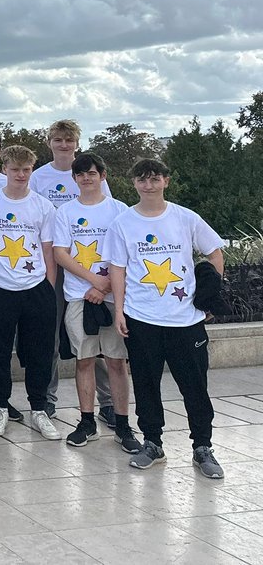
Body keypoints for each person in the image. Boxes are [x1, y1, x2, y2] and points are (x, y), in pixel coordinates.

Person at [109, 158, 226, 478]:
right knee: (146, 385)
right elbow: (117, 268)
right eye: (142, 180)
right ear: (134, 183)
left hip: (185, 319)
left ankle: (203, 446)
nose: (149, 185)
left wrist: (211, 292)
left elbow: (215, 251)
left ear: (166, 181)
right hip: (142, 317)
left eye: (155, 179)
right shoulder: (123, 223)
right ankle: (152, 442)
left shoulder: (185, 218)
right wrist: (119, 309)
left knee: (195, 387)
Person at [51, 153, 142, 453]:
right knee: (85, 360)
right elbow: (61, 254)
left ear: (103, 176)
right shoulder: (65, 212)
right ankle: (86, 420)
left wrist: (104, 289)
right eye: (80, 174)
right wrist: (94, 281)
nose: (86, 178)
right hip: (79, 296)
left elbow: (130, 253)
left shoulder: (120, 210)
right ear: (74, 179)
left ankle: (123, 423)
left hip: (114, 296)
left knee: (116, 362)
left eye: (91, 173)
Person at [31, 119, 114, 420]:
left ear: (77, 142)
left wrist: (102, 279)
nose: (64, 145)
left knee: (97, 334)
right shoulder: (39, 177)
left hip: (91, 269)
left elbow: (109, 226)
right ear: (49, 142)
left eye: (69, 140)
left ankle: (106, 402)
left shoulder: (93, 173)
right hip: (53, 262)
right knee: (50, 334)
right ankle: (48, 397)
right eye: (58, 139)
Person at [0, 145, 61, 440]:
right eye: (15, 169)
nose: (20, 175)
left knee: (40, 351)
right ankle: (0, 405)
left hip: (36, 288)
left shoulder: (42, 206)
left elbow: (48, 250)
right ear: (5, 170)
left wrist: (48, 288)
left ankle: (39, 408)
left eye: (26, 170)